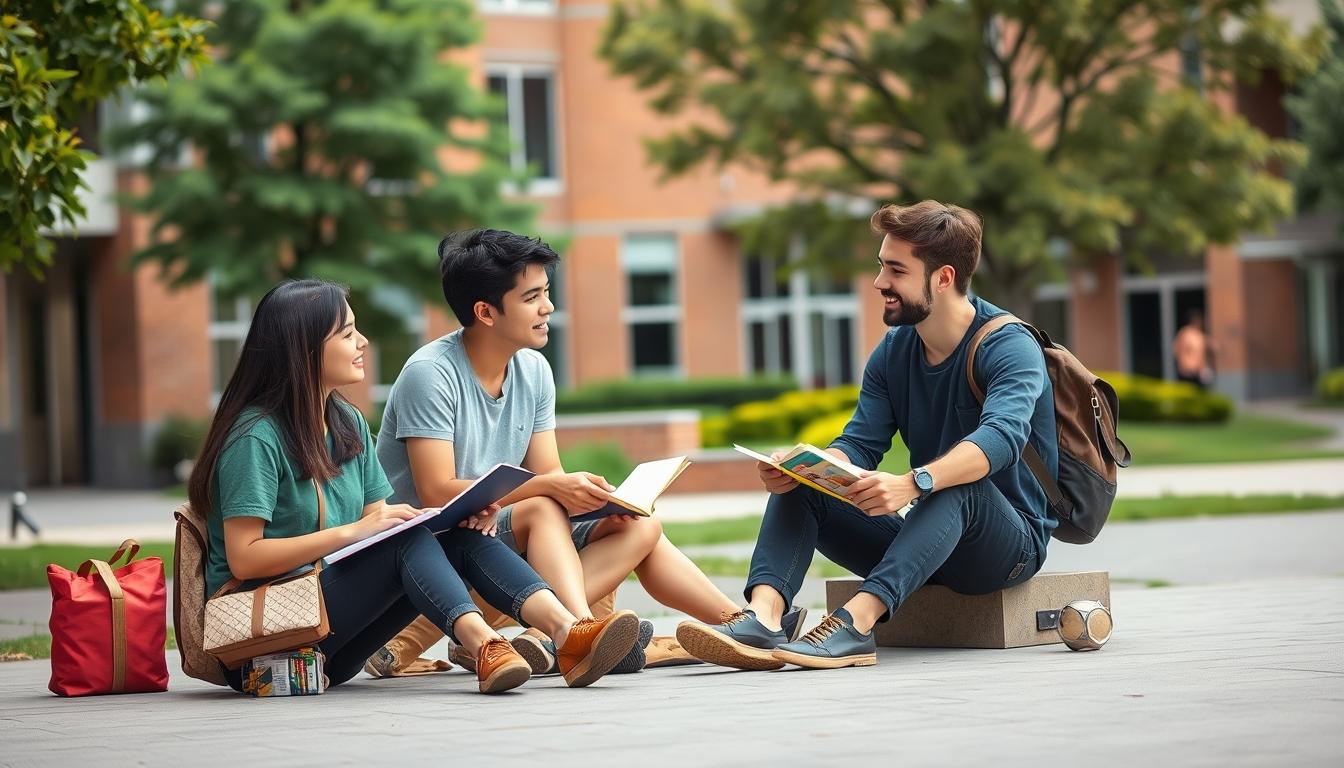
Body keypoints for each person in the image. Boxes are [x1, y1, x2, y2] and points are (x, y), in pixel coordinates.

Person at [364, 229, 807, 678]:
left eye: (547, 293)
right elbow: (436, 491)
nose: (548, 308)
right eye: (532, 297)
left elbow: (547, 471)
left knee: (637, 523)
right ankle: (576, 632)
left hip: (496, 527)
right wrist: (552, 487)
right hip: (438, 544)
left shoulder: (533, 369)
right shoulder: (431, 374)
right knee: (541, 505)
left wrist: (589, 498)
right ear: (485, 312)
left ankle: (738, 625)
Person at [193, 279, 639, 694]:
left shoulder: (344, 421)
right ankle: (486, 646)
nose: (363, 342)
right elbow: (245, 558)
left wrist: (462, 510)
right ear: (303, 349)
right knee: (408, 541)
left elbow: (379, 520)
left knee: (454, 535)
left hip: (329, 648)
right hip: (263, 640)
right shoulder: (255, 438)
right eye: (348, 333)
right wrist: (353, 533)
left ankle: (568, 633)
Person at [676, 201, 1057, 670]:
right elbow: (860, 443)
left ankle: (854, 626)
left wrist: (912, 483)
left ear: (943, 277)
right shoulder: (894, 352)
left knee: (955, 485)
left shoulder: (1009, 345)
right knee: (806, 485)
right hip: (930, 537)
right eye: (881, 266)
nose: (879, 282)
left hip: (1006, 548)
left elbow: (1002, 438)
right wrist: (812, 465)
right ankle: (764, 616)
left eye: (896, 270)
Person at [1174, 309, 1214, 389]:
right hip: (1188, 370)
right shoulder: (1186, 334)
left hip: (1199, 371)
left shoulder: (1199, 334)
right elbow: (1177, 350)